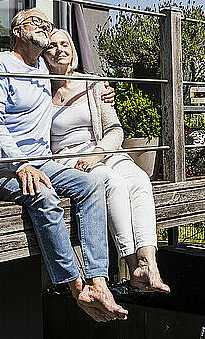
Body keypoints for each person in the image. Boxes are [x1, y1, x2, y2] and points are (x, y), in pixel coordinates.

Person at [0, 8, 128, 322]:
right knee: (43, 196)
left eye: (49, 24)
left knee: (92, 184)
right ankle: (75, 289)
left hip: (43, 162)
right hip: (0, 166)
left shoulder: (44, 69)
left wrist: (100, 89)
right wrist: (21, 164)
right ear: (17, 31)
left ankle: (99, 280)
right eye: (37, 22)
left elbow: (71, 75)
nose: (45, 26)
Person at [43, 28, 170, 293]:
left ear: (73, 51)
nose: (59, 49)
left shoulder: (93, 84)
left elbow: (115, 129)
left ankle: (150, 262)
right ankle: (133, 263)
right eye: (52, 45)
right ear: (44, 54)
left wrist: (98, 152)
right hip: (68, 159)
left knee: (139, 179)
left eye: (64, 44)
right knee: (112, 183)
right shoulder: (39, 89)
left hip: (101, 150)